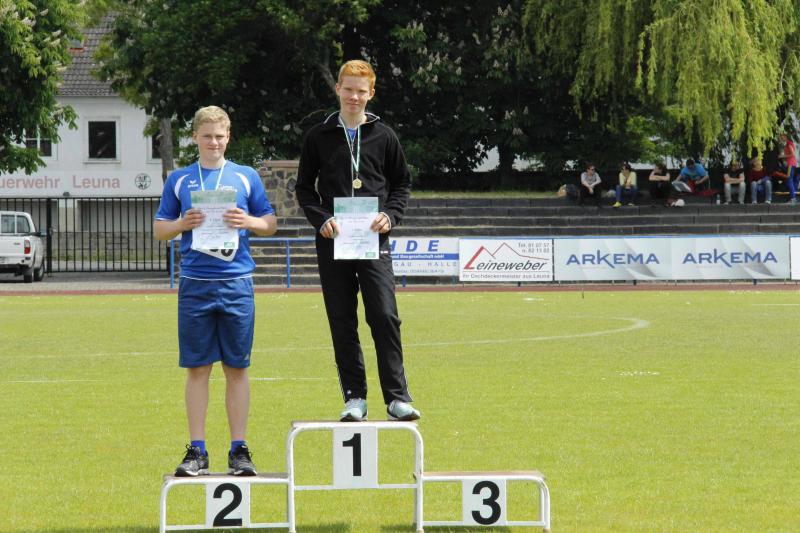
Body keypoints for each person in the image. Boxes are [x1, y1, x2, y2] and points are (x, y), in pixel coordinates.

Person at [154, 105, 278, 477]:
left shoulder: (245, 176)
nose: (213, 142)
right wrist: (181, 223)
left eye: (220, 136)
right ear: (195, 137)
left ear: (228, 137)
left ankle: (239, 450)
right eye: (207, 136)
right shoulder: (180, 179)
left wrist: (248, 220)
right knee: (197, 369)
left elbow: (270, 223)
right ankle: (197, 450)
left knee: (237, 368)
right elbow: (160, 229)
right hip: (195, 285)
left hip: (237, 283)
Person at [295, 60, 420, 423]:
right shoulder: (318, 136)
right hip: (333, 239)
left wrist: (390, 216)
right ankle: (355, 398)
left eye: (361, 91)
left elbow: (402, 184)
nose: (354, 96)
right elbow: (304, 188)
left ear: (371, 93)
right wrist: (321, 219)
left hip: (372, 239)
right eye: (348, 89)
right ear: (337, 89)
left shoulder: (385, 136)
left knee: (384, 315)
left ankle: (397, 398)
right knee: (342, 319)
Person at [778, 133, 799, 203]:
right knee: (790, 180)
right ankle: (793, 197)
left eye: (782, 136)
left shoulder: (789, 143)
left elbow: (792, 154)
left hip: (791, 163)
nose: (781, 137)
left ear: (786, 136)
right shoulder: (789, 143)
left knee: (789, 179)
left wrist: (782, 156)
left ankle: (793, 198)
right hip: (792, 163)